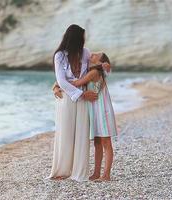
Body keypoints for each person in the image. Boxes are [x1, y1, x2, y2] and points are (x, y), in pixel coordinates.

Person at [44, 24, 98, 182]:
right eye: (82, 37)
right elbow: (61, 80)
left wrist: (105, 67)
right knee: (65, 133)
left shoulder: (86, 53)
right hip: (68, 97)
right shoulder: (59, 56)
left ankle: (79, 172)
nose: (84, 40)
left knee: (81, 134)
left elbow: (97, 67)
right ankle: (62, 170)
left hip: (83, 97)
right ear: (75, 39)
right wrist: (80, 94)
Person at [54, 52, 118, 182]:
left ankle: (106, 175)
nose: (92, 54)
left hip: (102, 111)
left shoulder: (94, 73)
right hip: (95, 111)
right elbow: (73, 80)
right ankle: (96, 173)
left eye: (96, 55)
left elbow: (76, 83)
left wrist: (58, 85)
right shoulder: (92, 71)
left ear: (99, 62)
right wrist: (55, 85)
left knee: (106, 143)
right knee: (98, 143)